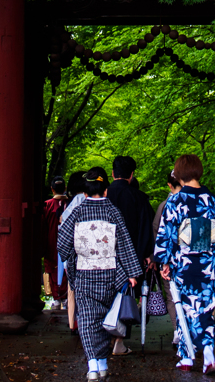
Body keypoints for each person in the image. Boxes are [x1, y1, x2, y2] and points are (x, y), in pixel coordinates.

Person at [154, 154, 215, 375]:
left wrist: (164, 261)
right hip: (209, 263)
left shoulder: (175, 201)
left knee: (185, 307)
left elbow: (167, 234)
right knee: (206, 309)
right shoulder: (213, 200)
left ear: (179, 176)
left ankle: (187, 357)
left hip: (184, 264)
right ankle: (206, 354)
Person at [58, 167, 143, 382]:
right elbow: (124, 244)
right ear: (106, 191)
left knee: (87, 320)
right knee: (107, 320)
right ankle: (103, 363)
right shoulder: (113, 212)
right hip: (110, 274)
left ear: (84, 194)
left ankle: (93, 365)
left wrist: (72, 255)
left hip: (84, 273)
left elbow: (62, 245)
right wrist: (132, 273)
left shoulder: (77, 212)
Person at [104, 155, 153, 355]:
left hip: (104, 255)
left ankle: (102, 337)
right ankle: (119, 339)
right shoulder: (139, 197)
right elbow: (146, 230)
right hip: (131, 257)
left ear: (112, 173)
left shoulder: (103, 195)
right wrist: (145, 255)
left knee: (104, 296)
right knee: (126, 297)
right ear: (131, 175)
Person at [150, 172, 183, 333]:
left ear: (169, 185)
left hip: (169, 259)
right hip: (192, 258)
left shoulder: (165, 205)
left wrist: (160, 259)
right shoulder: (196, 202)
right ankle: (191, 331)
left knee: (172, 296)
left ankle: (178, 329)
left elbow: (157, 231)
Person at [60, 172, 87, 331]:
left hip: (73, 252)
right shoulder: (86, 199)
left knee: (72, 290)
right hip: (87, 253)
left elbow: (63, 221)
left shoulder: (73, 202)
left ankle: (72, 323)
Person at [42, 176, 69, 309]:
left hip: (52, 242)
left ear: (52, 189)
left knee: (52, 268)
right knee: (67, 268)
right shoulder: (70, 204)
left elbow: (42, 226)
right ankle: (66, 297)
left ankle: (56, 297)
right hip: (69, 243)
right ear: (64, 188)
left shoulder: (47, 205)